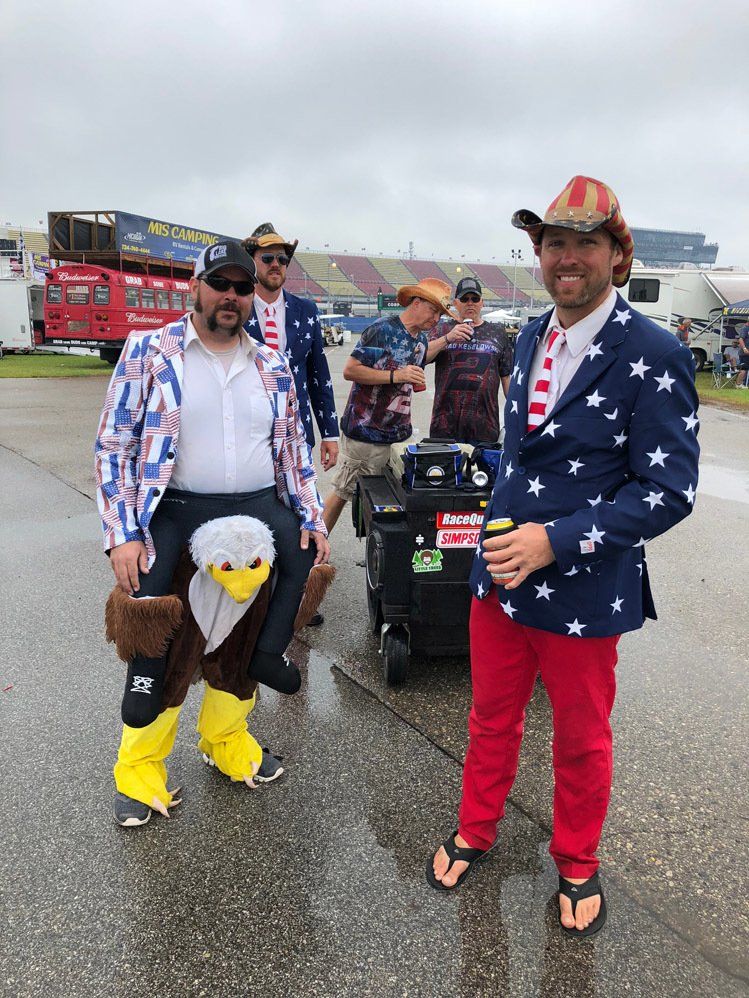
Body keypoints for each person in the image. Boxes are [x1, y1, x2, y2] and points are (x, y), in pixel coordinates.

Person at [427, 177, 700, 940]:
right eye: (553, 242)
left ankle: (576, 860)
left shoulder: (653, 352)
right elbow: (523, 456)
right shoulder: (527, 335)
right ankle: (475, 829)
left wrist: (553, 539)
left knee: (579, 740)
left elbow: (669, 490)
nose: (566, 257)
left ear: (617, 256)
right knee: (489, 718)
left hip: (583, 588)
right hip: (499, 574)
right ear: (538, 254)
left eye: (585, 242)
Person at [95, 239, 330, 826]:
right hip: (175, 511)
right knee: (163, 638)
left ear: (253, 296)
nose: (231, 295)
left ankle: (227, 738)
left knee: (245, 641)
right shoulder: (150, 350)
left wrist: (310, 515)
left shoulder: (271, 363)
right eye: (219, 284)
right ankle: (140, 766)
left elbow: (293, 452)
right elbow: (114, 446)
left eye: (242, 287)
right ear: (194, 287)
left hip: (257, 516)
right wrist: (122, 532)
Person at [322, 278, 458, 534]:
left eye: (440, 314)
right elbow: (351, 370)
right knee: (343, 491)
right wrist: (397, 375)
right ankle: (311, 549)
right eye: (433, 310)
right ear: (416, 303)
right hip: (366, 432)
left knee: (387, 501)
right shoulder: (382, 329)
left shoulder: (421, 340)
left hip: (396, 435)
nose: (436, 319)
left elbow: (420, 359)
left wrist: (446, 341)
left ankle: (378, 550)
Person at [243, 222, 339, 469]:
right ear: (251, 261)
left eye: (282, 259)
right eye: (267, 258)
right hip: (249, 436)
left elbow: (319, 374)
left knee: (301, 494)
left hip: (298, 433)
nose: (276, 264)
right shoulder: (236, 309)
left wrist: (329, 433)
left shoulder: (306, 310)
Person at [428, 276, 513, 443]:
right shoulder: (442, 329)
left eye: (475, 299)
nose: (470, 303)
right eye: (464, 299)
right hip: (445, 425)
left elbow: (506, 378)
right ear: (455, 303)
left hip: (484, 426)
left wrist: (516, 414)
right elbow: (421, 358)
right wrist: (447, 338)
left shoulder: (497, 332)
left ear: (482, 303)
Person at [736, 322, 749, 388]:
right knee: (743, 369)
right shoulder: (744, 328)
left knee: (746, 369)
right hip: (744, 353)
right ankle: (738, 384)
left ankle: (744, 383)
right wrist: (744, 348)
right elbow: (740, 339)